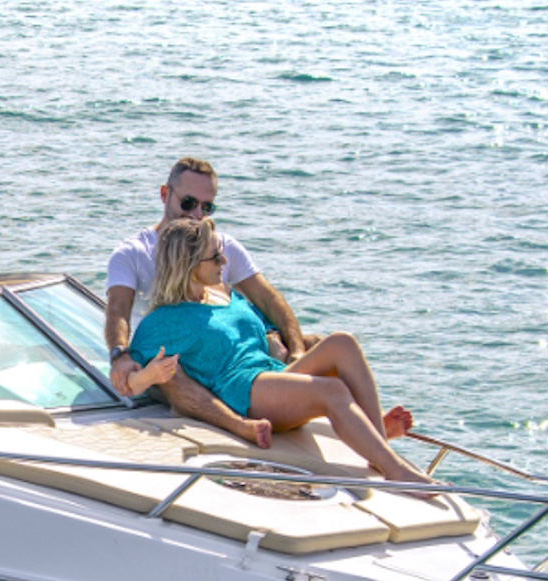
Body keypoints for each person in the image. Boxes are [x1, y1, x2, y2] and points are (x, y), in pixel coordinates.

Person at [126, 217, 433, 486]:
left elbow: (267, 328)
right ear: (190, 266)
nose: (224, 262)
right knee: (333, 390)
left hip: (272, 374)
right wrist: (145, 376)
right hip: (245, 393)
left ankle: (379, 446)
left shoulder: (225, 295)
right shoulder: (162, 322)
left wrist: (285, 345)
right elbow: (132, 377)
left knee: (343, 342)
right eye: (216, 257)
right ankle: (395, 470)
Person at [104, 157, 319, 445]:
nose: (196, 214)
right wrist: (120, 355)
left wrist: (295, 349)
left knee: (319, 343)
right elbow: (117, 310)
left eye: (207, 207)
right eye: (189, 203)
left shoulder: (220, 246)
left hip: (220, 354)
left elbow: (267, 299)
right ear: (165, 194)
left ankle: (351, 419)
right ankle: (240, 425)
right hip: (167, 362)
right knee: (170, 369)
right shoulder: (132, 253)